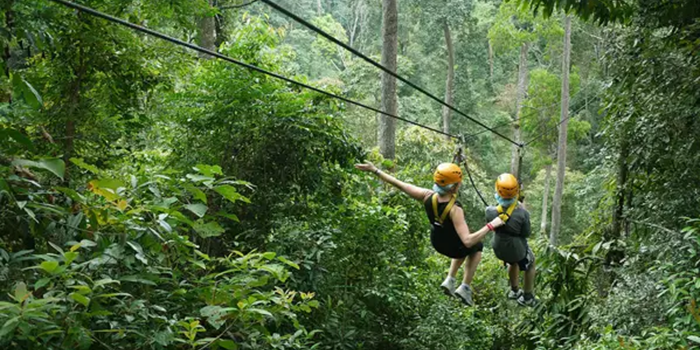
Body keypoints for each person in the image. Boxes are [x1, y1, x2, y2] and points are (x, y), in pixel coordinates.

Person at [355, 161, 504, 306]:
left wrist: (374, 170)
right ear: (454, 188)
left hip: (438, 242)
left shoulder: (427, 196)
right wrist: (491, 225)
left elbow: (399, 184)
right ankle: (465, 287)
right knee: (476, 245)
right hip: (453, 247)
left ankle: (450, 279)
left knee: (464, 238)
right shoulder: (455, 209)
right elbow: (467, 241)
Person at [485, 173, 536, 307]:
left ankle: (514, 290)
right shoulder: (522, 214)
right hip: (515, 249)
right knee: (531, 263)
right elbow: (526, 233)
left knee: (512, 263)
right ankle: (527, 296)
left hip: (498, 247)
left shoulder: (489, 211)